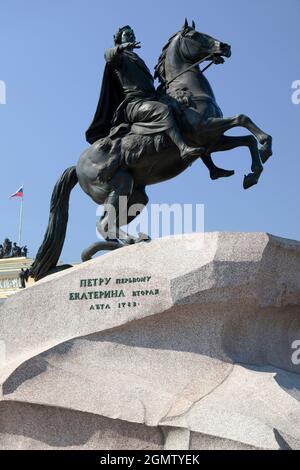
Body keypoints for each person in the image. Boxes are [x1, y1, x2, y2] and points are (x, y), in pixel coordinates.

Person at [86, 25, 204, 163]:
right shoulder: (120, 57)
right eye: (126, 34)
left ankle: (211, 166)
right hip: (134, 104)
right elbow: (108, 55)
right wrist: (121, 48)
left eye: (132, 34)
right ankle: (183, 148)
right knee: (163, 110)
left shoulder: (137, 59)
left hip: (149, 98)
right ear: (119, 39)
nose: (130, 36)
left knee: (183, 111)